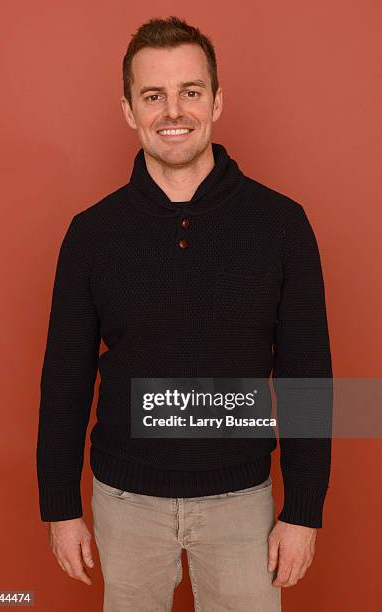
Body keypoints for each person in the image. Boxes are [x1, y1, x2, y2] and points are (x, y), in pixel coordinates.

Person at [36, 15, 333, 612]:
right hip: (123, 506)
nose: (174, 111)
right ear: (129, 110)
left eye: (190, 92)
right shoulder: (91, 234)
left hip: (243, 506)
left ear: (217, 101)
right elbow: (64, 379)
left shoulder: (283, 225)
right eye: (154, 96)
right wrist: (59, 507)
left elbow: (310, 379)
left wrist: (304, 511)